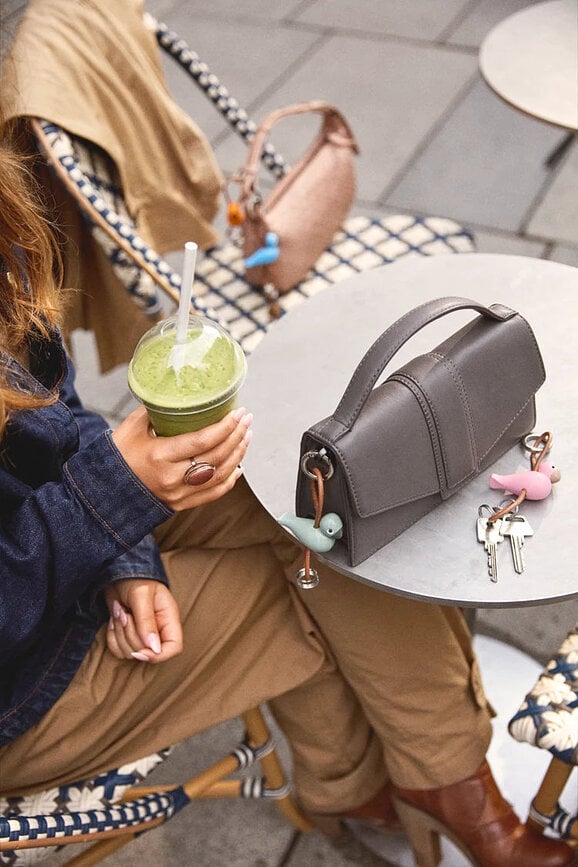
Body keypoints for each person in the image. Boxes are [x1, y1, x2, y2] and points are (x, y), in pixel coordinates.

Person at [0, 138, 574, 867]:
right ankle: (442, 794)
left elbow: (54, 416)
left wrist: (124, 550)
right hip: (25, 682)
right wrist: (108, 502)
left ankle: (387, 786)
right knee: (326, 569)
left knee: (316, 500)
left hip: (55, 537)